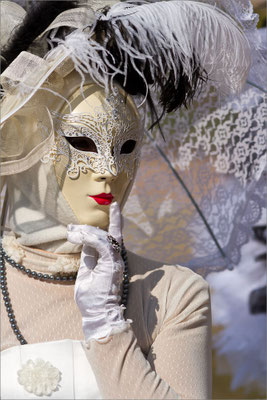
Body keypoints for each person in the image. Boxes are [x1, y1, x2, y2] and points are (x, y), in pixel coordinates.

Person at [0, 0, 251, 398]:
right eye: (83, 142)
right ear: (25, 141)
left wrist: (108, 332)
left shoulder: (171, 294)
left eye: (126, 146)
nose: (110, 169)